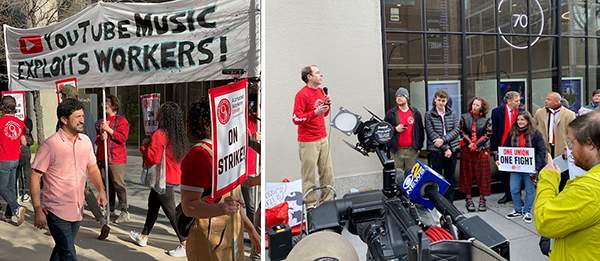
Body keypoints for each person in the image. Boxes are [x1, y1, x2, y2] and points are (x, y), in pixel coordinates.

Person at [180, 101, 261, 261]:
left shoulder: (226, 151)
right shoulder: (198, 156)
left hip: (231, 239)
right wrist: (221, 208)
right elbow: (189, 206)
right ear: (210, 125)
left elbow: (235, 202)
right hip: (209, 243)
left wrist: (251, 230)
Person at [30, 98, 107, 260]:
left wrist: (101, 190)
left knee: (61, 250)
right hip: (56, 211)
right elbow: (35, 177)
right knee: (69, 253)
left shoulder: (85, 141)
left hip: (77, 208)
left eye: (82, 116)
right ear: (64, 120)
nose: (82, 120)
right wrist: (37, 209)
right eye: (77, 117)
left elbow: (92, 168)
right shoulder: (50, 145)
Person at [534, 110, 600, 260]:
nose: (569, 150)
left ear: (590, 144)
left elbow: (545, 221)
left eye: (571, 142)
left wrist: (548, 178)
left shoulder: (588, 189)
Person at [129, 102, 188, 257]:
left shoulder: (159, 134)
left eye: (160, 111)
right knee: (153, 206)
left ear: (164, 116)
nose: (157, 113)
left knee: (171, 212)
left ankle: (184, 243)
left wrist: (143, 147)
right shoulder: (177, 134)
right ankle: (143, 236)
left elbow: (152, 158)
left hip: (162, 178)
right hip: (172, 175)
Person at [292, 65, 334, 208]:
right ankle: (310, 206)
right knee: (309, 176)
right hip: (308, 141)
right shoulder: (301, 94)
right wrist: (314, 113)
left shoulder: (321, 91)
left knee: (327, 172)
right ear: (309, 76)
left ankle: (327, 202)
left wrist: (326, 106)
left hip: (323, 137)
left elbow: (324, 114)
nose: (321, 75)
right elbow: (296, 118)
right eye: (317, 73)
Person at [501, 112, 546, 223]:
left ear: (528, 121)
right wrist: (501, 159)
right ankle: (517, 210)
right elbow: (505, 147)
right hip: (515, 168)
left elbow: (542, 151)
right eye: (518, 120)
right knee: (514, 189)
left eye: (523, 120)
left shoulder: (535, 134)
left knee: (530, 191)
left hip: (531, 168)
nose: (520, 122)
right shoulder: (512, 132)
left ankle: (527, 211)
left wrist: (537, 166)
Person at [95, 94, 130, 224]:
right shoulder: (100, 121)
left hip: (116, 158)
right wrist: (100, 138)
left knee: (118, 183)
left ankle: (124, 210)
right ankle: (110, 209)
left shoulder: (121, 121)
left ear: (113, 105)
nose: (104, 104)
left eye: (107, 102)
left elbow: (122, 138)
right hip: (102, 157)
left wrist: (109, 130)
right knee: (106, 184)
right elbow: (97, 139)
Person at [425, 89, 460, 201]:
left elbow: (456, 130)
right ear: (435, 100)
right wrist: (445, 148)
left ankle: (450, 202)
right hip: (436, 151)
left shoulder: (452, 114)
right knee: (437, 178)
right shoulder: (428, 115)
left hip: (451, 150)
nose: (441, 102)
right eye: (439, 100)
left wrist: (445, 141)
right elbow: (431, 133)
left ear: (446, 101)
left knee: (450, 177)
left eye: (443, 100)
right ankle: (439, 202)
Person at [459, 97, 492, 212]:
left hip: (481, 150)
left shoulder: (486, 120)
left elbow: (487, 134)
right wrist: (470, 143)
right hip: (467, 150)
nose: (475, 107)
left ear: (482, 107)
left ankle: (482, 199)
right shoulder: (464, 117)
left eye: (477, 105)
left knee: (483, 176)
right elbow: (461, 131)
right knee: (466, 175)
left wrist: (476, 144)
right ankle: (468, 199)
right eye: (474, 104)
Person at [490, 91, 523, 204]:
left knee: (517, 171)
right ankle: (507, 194)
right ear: (509, 101)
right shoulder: (497, 112)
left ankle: (517, 195)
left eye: (519, 100)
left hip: (518, 146)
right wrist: (494, 148)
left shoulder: (521, 111)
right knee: (504, 172)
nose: (519, 103)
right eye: (516, 100)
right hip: (502, 146)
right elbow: (494, 131)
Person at [384, 87, 424, 175]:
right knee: (397, 176)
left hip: (412, 150)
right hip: (396, 151)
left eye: (401, 95)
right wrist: (395, 129)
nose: (399, 97)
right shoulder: (391, 114)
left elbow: (421, 131)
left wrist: (419, 147)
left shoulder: (415, 113)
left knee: (412, 176)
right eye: (397, 96)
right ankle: (399, 189)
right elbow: (385, 130)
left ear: (407, 98)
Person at [0, 95, 27, 226]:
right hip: (15, 158)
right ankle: (8, 215)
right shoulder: (20, 123)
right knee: (11, 188)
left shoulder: (0, 122)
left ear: (2, 108)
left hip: (3, 158)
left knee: (2, 188)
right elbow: (24, 142)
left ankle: (17, 208)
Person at [534, 92, 576, 160]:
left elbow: (573, 133)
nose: (546, 101)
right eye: (546, 99)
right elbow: (533, 128)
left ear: (557, 102)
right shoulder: (539, 112)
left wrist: (568, 149)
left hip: (561, 148)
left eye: (549, 99)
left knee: (559, 169)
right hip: (544, 147)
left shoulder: (569, 114)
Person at [16, 116, 34, 203]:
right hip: (15, 146)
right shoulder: (13, 119)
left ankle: (27, 191)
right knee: (17, 170)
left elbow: (28, 130)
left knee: (26, 169)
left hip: (25, 146)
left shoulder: (27, 120)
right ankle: (19, 190)